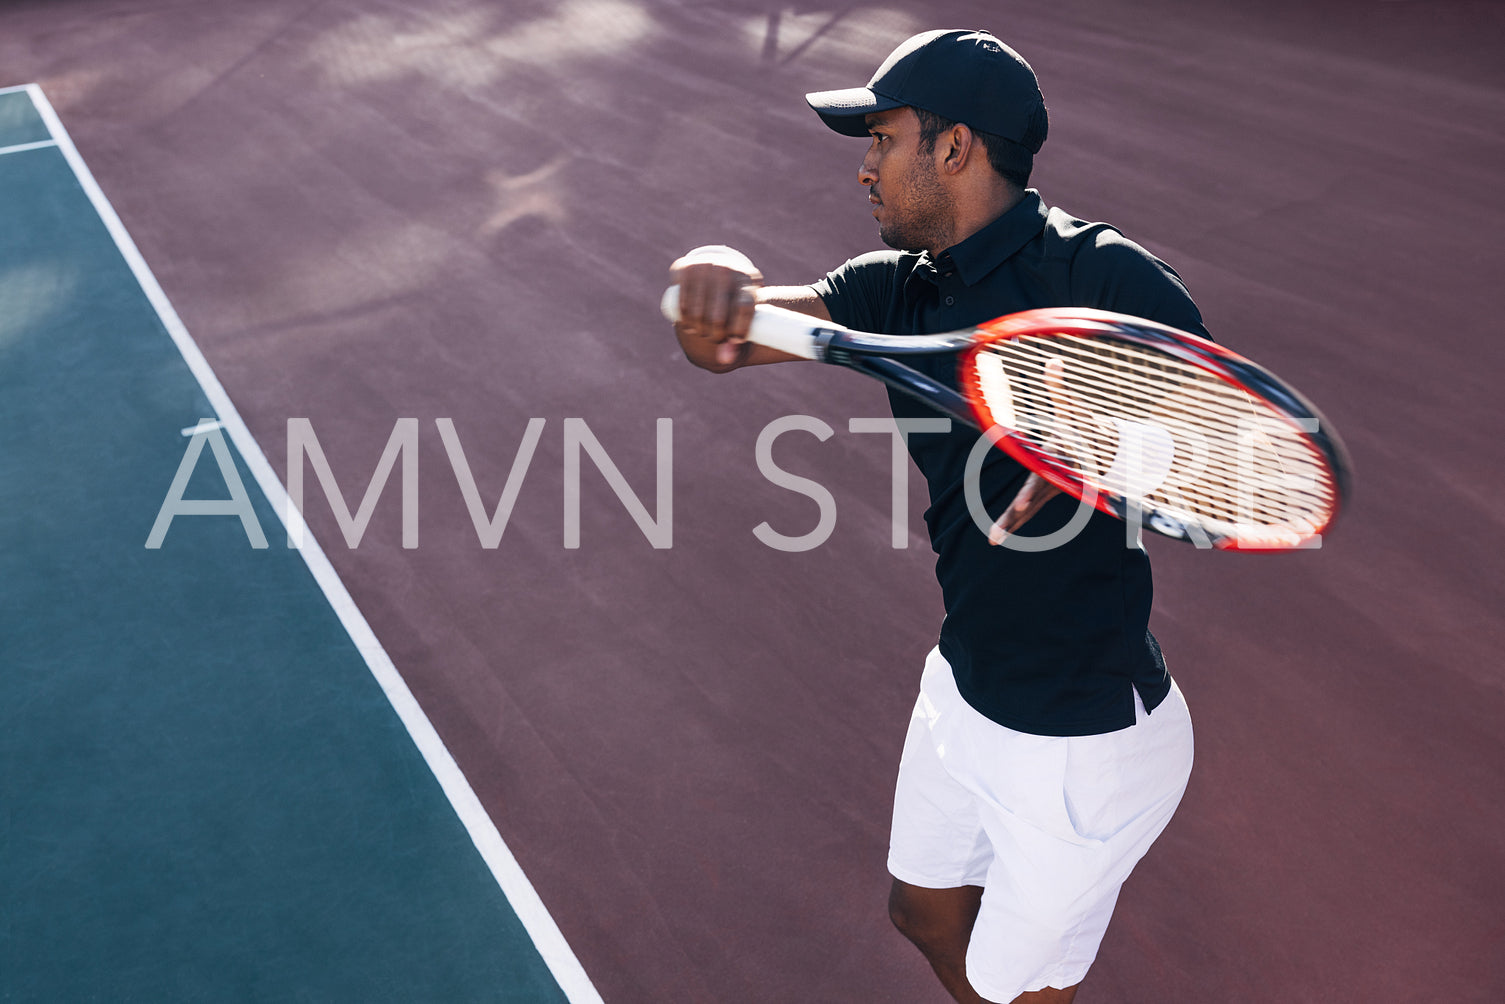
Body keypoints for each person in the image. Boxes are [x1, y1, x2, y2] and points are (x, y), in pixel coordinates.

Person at [668, 29, 1200, 1004]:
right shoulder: (891, 293)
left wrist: (1110, 443)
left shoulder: (1102, 279)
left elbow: (1221, 445)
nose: (864, 170)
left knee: (1014, 988)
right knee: (918, 909)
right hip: (964, 676)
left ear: (952, 149)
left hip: (1078, 737)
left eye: (881, 140)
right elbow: (729, 338)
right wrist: (708, 275)